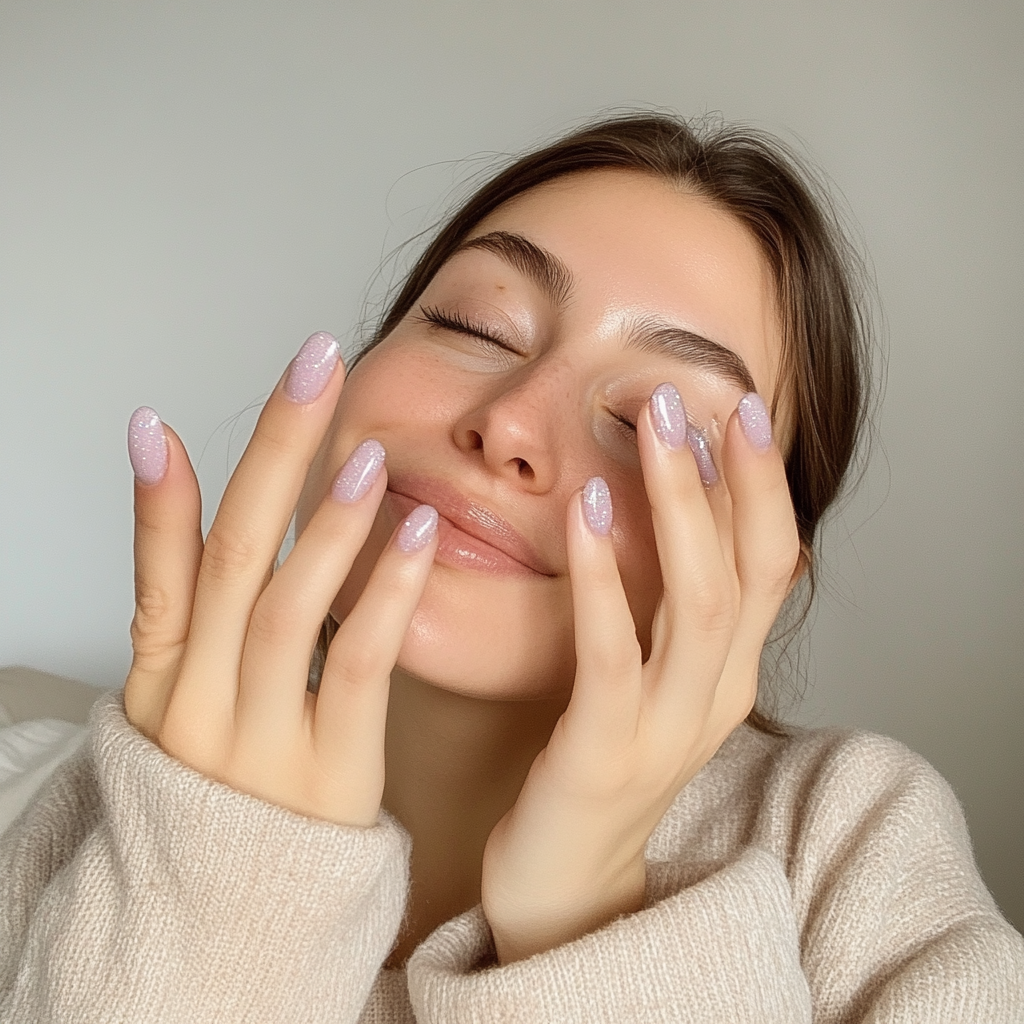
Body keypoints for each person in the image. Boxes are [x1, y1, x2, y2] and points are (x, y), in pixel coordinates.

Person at [1, 112, 1022, 1022]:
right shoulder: (59, 801)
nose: (508, 426)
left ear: (760, 575)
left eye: (657, 426)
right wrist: (220, 890)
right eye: (472, 325)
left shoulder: (858, 846)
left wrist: (587, 914)